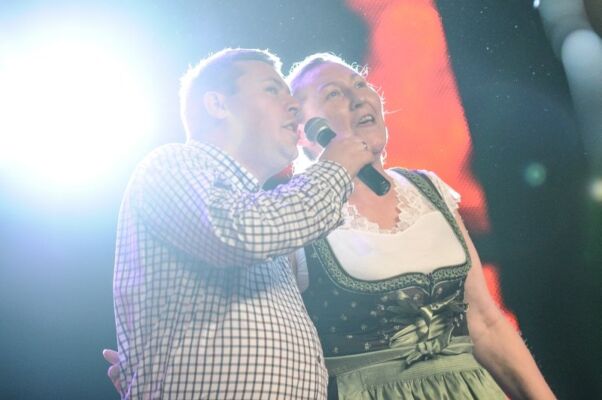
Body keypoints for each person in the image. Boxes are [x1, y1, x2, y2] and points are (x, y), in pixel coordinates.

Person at [286, 53, 556, 399]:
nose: (358, 98)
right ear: (303, 132)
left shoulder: (429, 190)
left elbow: (485, 322)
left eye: (360, 84)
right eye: (333, 94)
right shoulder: (295, 213)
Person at [110, 48, 375, 399]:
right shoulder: (169, 165)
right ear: (218, 105)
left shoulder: (265, 208)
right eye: (272, 89)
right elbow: (241, 234)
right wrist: (335, 169)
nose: (294, 106)